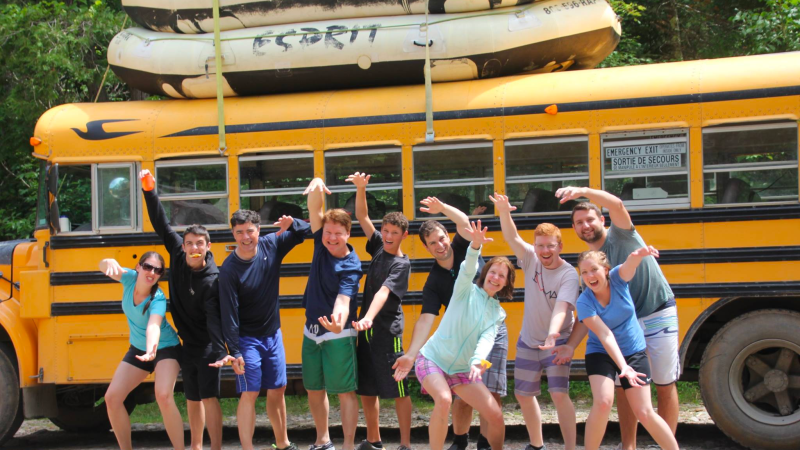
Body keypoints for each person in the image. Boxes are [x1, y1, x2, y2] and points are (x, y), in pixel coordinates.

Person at [555, 187, 680, 450]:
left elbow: (618, 204)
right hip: (624, 325)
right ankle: (629, 446)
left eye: (590, 219)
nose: (585, 225)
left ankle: (665, 443)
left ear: (602, 220)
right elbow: (588, 318)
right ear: (574, 230)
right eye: (579, 223)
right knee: (625, 383)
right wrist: (570, 344)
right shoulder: (590, 267)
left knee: (664, 382)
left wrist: (582, 190)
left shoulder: (621, 234)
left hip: (656, 309)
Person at [392, 197, 508, 450]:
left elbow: (465, 223)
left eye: (442, 238)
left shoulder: (463, 245)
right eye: (432, 243)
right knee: (454, 398)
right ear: (426, 247)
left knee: (493, 394)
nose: (440, 245)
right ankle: (460, 440)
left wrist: (442, 208)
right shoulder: (434, 281)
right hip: (457, 343)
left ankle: (487, 444)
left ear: (448, 236)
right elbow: (425, 319)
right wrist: (411, 354)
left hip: (488, 328)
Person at [139, 169, 225, 450]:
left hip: (210, 344)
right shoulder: (177, 254)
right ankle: (197, 446)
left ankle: (215, 447)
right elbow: (161, 223)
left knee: (209, 397)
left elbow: (215, 319)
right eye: (189, 244)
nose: (193, 248)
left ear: (208, 247)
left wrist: (222, 350)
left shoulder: (213, 281)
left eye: (199, 244)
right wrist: (149, 190)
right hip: (187, 343)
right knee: (192, 397)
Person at [489, 193, 580, 450]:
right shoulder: (530, 259)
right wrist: (504, 212)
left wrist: (552, 335)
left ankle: (571, 447)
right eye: (540, 245)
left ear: (560, 246)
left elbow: (563, 307)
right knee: (523, 394)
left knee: (558, 394)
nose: (545, 251)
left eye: (550, 246)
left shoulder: (569, 274)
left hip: (557, 341)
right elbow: (511, 237)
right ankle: (536, 444)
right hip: (528, 340)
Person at [215, 209, 310, 450]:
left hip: (273, 334)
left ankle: (283, 443)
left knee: (278, 388)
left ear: (259, 230)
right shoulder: (229, 269)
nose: (245, 237)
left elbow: (305, 232)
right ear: (233, 234)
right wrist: (234, 350)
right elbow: (229, 313)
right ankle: (247, 447)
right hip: (246, 340)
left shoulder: (270, 245)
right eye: (239, 232)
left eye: (250, 231)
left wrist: (293, 222)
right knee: (250, 392)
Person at [575, 248, 679, 450]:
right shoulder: (584, 302)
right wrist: (623, 367)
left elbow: (629, 265)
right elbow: (605, 335)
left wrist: (639, 254)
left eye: (593, 269)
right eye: (584, 272)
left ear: (605, 270)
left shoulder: (617, 279)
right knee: (604, 402)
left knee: (644, 411)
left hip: (633, 350)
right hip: (600, 352)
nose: (589, 276)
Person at [346, 172, 413, 450]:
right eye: (385, 231)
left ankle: (406, 444)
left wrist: (368, 318)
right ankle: (374, 440)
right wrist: (361, 189)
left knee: (398, 389)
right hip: (367, 330)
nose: (387, 236)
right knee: (368, 388)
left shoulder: (401, 264)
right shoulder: (377, 247)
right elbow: (361, 217)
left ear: (403, 235)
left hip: (386, 332)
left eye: (394, 233)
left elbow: (384, 293)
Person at [301, 177, 363, 450]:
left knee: (345, 392)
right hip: (311, 331)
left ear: (348, 233)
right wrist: (316, 184)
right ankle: (323, 440)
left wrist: (338, 323)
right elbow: (314, 208)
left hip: (339, 334)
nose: (331, 238)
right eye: (328, 232)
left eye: (338, 233)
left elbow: (343, 299)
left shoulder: (351, 265)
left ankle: (348, 444)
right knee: (314, 389)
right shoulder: (320, 244)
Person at [100, 253, 184, 450]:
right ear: (138, 267)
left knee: (163, 396)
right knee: (112, 399)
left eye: (157, 270)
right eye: (148, 267)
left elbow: (153, 326)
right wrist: (107, 261)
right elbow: (105, 266)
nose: (151, 273)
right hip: (138, 348)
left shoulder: (158, 298)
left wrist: (151, 349)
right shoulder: (129, 278)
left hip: (165, 348)